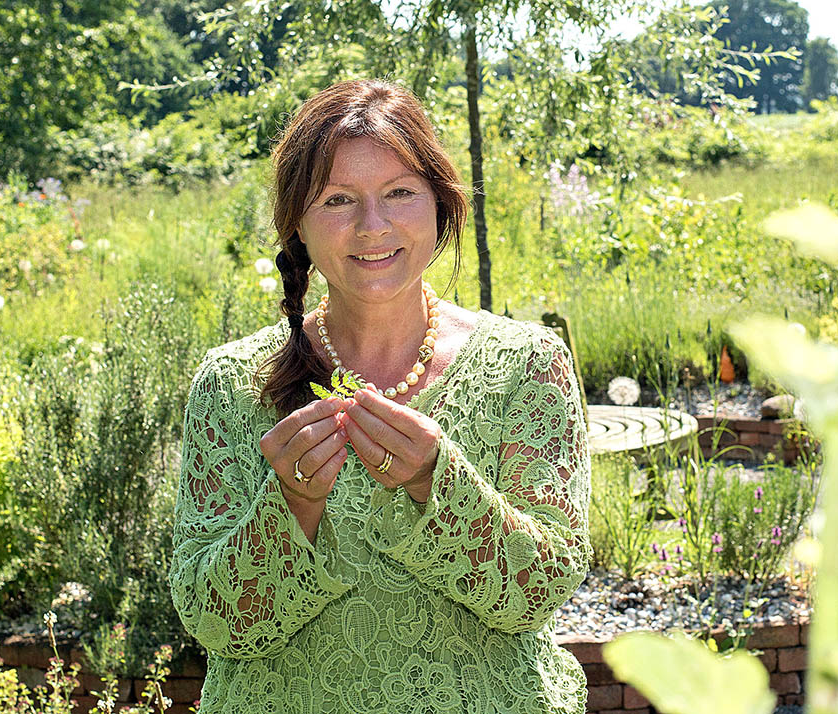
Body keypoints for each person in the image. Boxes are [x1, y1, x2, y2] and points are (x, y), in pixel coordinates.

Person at [168, 78, 593, 713]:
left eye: (399, 192)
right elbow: (215, 623)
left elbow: (542, 589)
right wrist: (293, 505)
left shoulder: (526, 366)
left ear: (440, 205)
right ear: (297, 225)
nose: (373, 226)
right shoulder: (235, 383)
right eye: (338, 199)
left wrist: (436, 484)